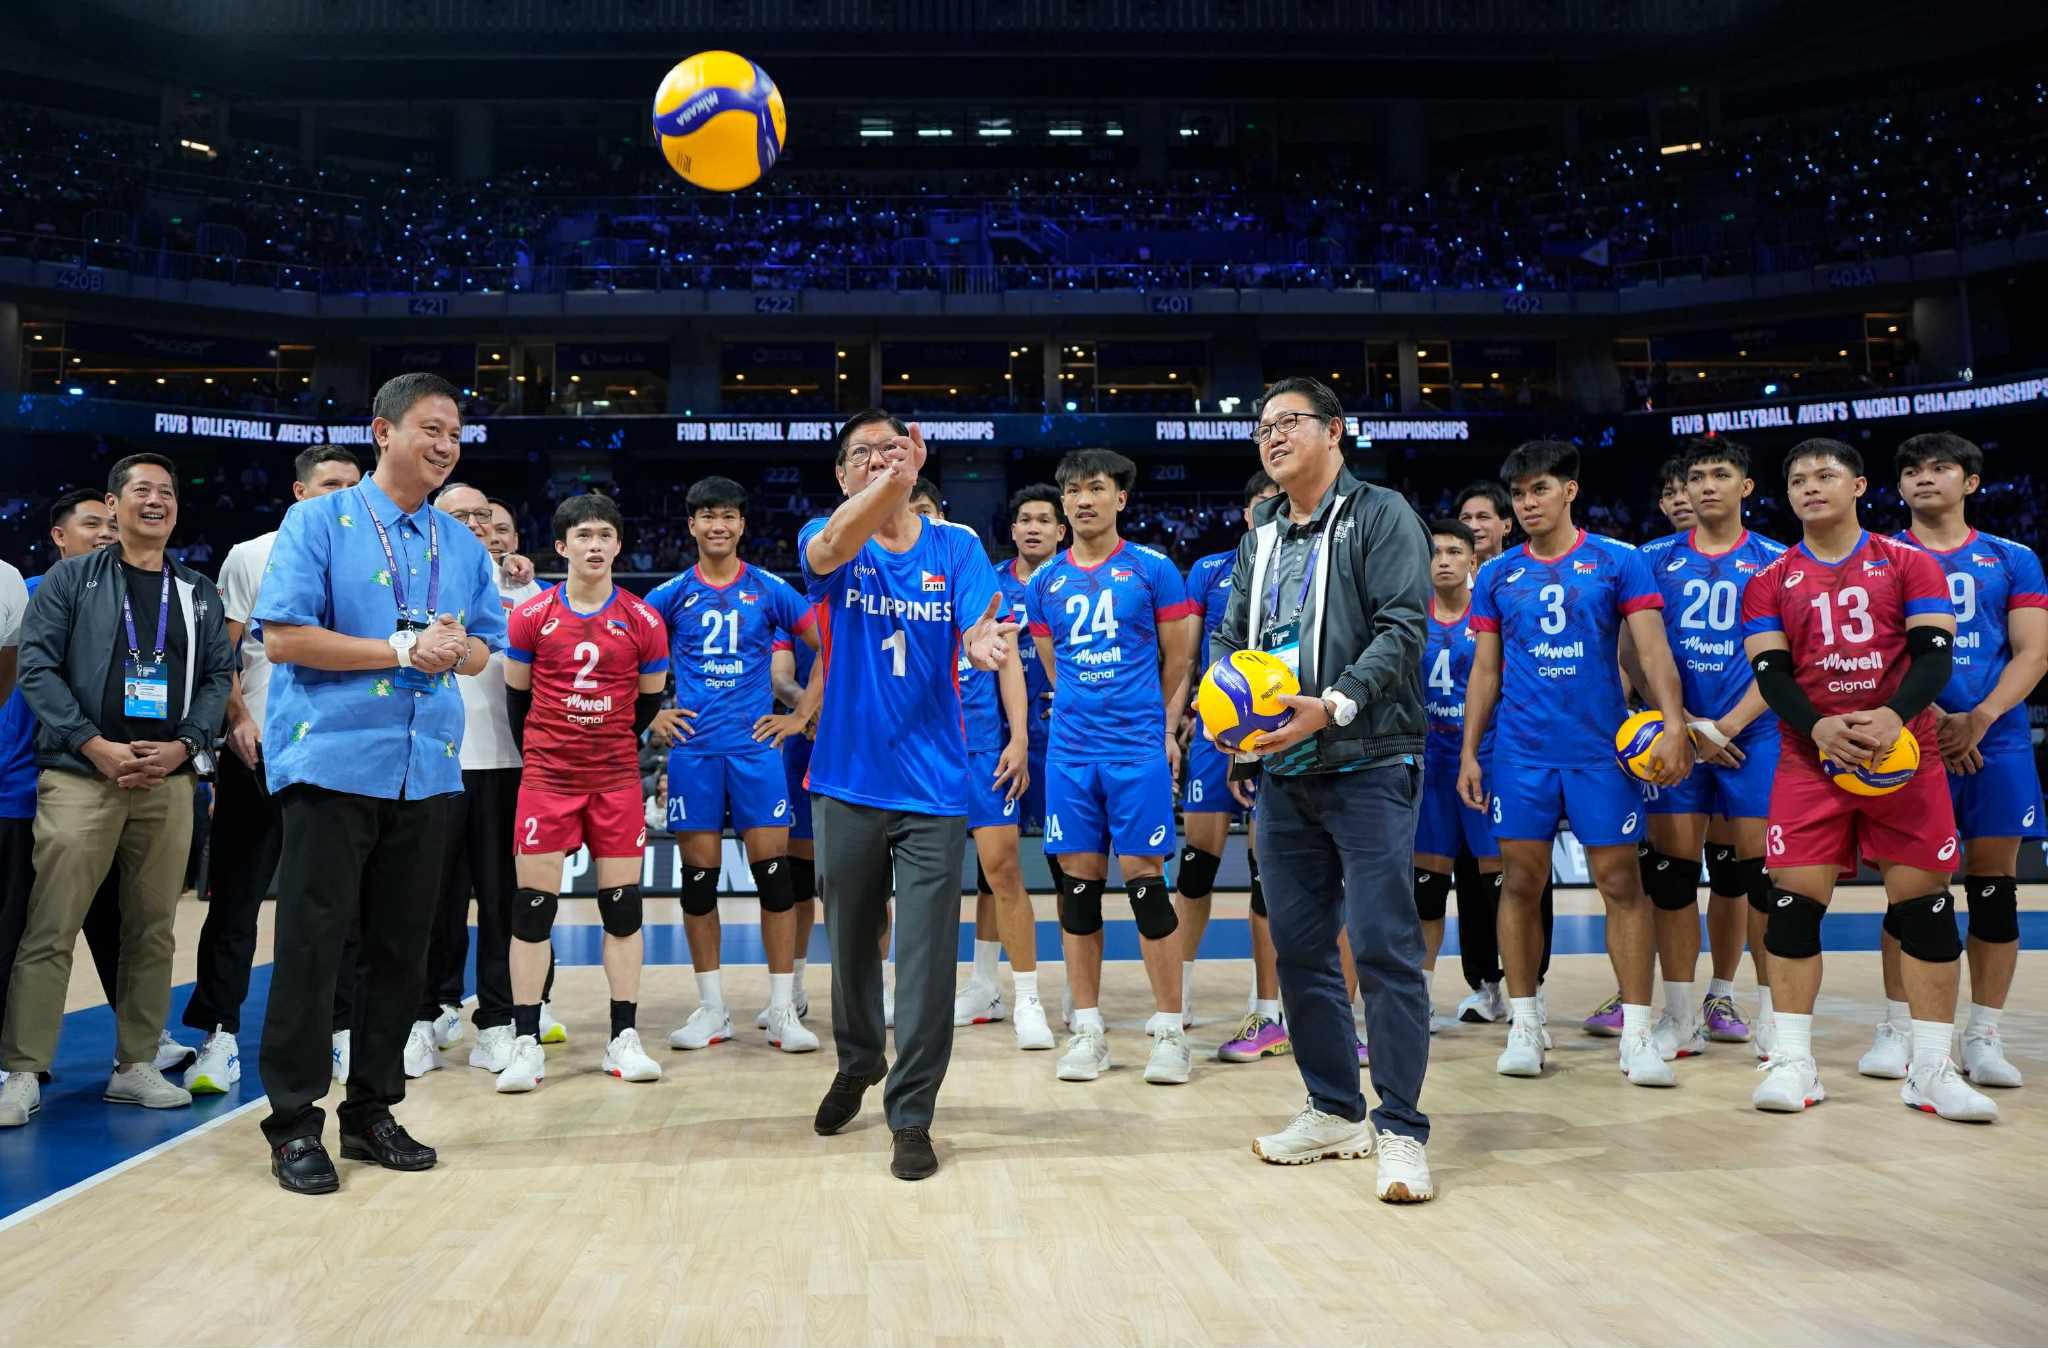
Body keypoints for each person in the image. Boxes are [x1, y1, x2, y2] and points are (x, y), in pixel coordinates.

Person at [253, 373, 505, 1195]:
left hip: (425, 769)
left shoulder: (460, 543)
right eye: (431, 428)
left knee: (401, 951)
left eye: (455, 434)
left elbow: (485, 650)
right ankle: (294, 1122)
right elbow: (285, 638)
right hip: (331, 762)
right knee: (313, 947)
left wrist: (455, 647)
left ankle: (371, 1111)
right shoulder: (317, 521)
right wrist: (402, 650)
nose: (446, 446)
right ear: (383, 431)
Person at [1211, 376, 1435, 1203]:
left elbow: (1402, 629)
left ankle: (1401, 1129)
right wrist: (1225, 708)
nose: (1272, 436)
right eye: (1262, 426)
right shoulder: (1262, 532)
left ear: (1335, 431)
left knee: (1382, 948)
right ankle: (1336, 1110)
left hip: (1368, 759)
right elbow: (1231, 636)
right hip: (1284, 770)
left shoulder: (1381, 514)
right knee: (1300, 952)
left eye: (1289, 422)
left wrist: (1331, 706)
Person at [1742, 437, 1992, 1121]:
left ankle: (1931, 1069)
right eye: (1798, 479)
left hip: (1902, 756)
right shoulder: (1769, 579)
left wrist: (1892, 715)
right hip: (1810, 759)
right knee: (1792, 906)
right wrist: (1818, 727)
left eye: (1825, 475)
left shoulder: (1909, 563)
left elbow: (1933, 658)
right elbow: (1771, 674)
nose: (1810, 487)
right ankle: (1794, 1063)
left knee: (1926, 909)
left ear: (1857, 486)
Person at [800, 409, 1017, 1182]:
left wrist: (982, 643)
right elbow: (829, 549)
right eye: (861, 454)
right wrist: (888, 484)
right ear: (841, 474)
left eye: (889, 451)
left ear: (916, 462)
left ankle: (913, 1111)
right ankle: (860, 1058)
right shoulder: (828, 536)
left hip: (933, 788)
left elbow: (977, 625)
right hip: (847, 780)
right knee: (852, 940)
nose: (876, 462)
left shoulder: (956, 547)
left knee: (926, 960)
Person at [0, 453, 233, 1128]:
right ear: (114, 503)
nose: (155, 501)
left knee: (153, 929)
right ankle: (22, 1070)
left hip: (167, 778)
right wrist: (92, 744)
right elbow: (36, 670)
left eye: (167, 492)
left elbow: (218, 678)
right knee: (51, 926)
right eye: (142, 490)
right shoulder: (70, 579)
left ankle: (135, 1065)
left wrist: (185, 745)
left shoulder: (197, 591)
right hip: (81, 775)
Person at [1458, 439, 1693, 1087]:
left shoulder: (1619, 561)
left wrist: (1674, 725)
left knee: (1621, 884)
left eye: (1540, 489)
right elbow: (1485, 672)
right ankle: (1525, 1024)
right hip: (1521, 754)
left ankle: (1638, 1033)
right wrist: (1471, 752)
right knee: (1519, 883)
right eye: (1518, 493)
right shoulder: (1497, 574)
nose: (1527, 503)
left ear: (1569, 491)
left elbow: (1651, 653)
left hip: (1601, 753)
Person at [180, 446, 366, 1096]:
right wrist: (236, 717)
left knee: (340, 904)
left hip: (340, 753)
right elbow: (222, 653)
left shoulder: (371, 558)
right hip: (261, 750)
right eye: (330, 484)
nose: (343, 493)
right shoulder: (252, 554)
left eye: (352, 483)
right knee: (236, 900)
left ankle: (341, 1029)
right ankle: (219, 1034)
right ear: (299, 491)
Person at [1028, 448, 1198, 1086]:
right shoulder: (1044, 582)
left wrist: (1152, 725)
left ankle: (1170, 1032)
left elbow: (1178, 661)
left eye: (1096, 488)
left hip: (1135, 751)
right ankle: (1089, 1031)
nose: (1083, 500)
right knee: (1077, 891)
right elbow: (1053, 665)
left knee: (1148, 887)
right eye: (1073, 490)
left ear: (1120, 498)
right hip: (1071, 753)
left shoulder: (1153, 569)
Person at [1881, 432, 2046, 1089]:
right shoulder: (1879, 557)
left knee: (1994, 889)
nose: (1924, 478)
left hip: (1996, 737)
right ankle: (1899, 1029)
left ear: (1970, 482)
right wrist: (1933, 719)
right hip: (1910, 737)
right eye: (1911, 470)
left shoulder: (2012, 558)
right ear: (1898, 486)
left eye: (1940, 468)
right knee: (1910, 890)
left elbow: (2033, 653)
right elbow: (1877, 657)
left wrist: (1978, 717)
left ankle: (1983, 1036)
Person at [495, 493, 670, 1092]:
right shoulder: (532, 616)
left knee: (622, 907)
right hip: (548, 778)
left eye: (604, 535)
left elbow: (648, 702)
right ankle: (525, 1042)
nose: (594, 546)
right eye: (583, 536)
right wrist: (551, 753)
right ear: (562, 546)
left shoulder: (644, 620)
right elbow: (517, 699)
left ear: (619, 545)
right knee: (531, 909)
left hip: (615, 779)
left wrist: (603, 739)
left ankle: (623, 1038)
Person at [645, 476, 819, 1055]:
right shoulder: (669, 595)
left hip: (755, 752)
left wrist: (800, 716)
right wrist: (651, 715)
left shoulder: (770, 589)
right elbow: (623, 651)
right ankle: (712, 1009)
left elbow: (828, 645)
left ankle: (782, 1009)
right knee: (699, 883)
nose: (717, 525)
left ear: (742, 525)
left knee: (775, 878)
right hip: (694, 753)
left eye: (727, 516)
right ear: (691, 525)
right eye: (707, 516)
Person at [1632, 440, 1785, 1067]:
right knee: (1670, 877)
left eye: (1721, 474)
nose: (1707, 486)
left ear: (1746, 486)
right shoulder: (1651, 560)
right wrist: (1688, 725)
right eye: (1696, 476)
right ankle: (1680, 1016)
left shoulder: (1777, 560)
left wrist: (1726, 727)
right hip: (1677, 735)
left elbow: (1787, 660)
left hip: (1757, 733)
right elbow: (1635, 654)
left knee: (1760, 879)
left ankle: (1775, 1017)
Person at [0, 492, 147, 1084]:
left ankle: (139, 1042)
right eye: (93, 524)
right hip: (25, 788)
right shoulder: (28, 593)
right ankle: (16, 1058)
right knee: (24, 930)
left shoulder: (136, 600)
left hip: (100, 785)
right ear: (59, 536)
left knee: (116, 920)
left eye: (113, 524)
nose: (107, 533)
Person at [907, 491, 1048, 1052]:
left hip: (982, 747)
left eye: (925, 511)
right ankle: (939, 991)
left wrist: (1017, 737)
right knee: (922, 885)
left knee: (1003, 870)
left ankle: (1027, 997)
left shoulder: (973, 575)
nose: (918, 521)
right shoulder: (888, 582)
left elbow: (1008, 660)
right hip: (921, 753)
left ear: (942, 516)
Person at [429, 484, 551, 1079]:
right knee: (433, 902)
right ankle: (428, 1014)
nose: (477, 525)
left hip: (507, 764)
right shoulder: (415, 579)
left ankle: (500, 1020)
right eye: (462, 516)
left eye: (485, 516)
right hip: (432, 764)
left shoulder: (529, 590)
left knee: (505, 902)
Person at [1180, 469, 1294, 1061]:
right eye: (1260, 505)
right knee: (1196, 865)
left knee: (1264, 870)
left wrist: (1252, 748)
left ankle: (1264, 1002)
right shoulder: (1209, 570)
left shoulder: (1300, 571)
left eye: (1279, 504)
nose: (1268, 513)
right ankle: (1179, 991)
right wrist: (1175, 723)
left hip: (1276, 732)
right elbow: (1189, 655)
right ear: (1246, 513)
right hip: (1213, 731)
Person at [1449, 480, 1554, 1024]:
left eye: (1483, 517)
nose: (1474, 526)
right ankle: (1484, 983)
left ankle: (1530, 986)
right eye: (1465, 517)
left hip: (1517, 745)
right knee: (1469, 873)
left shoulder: (1522, 578)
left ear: (1505, 524)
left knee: (1524, 869)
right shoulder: (1445, 583)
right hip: (1460, 747)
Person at [1413, 519, 1498, 1033]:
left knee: (1497, 886)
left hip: (1484, 761)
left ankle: (1510, 993)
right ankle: (1419, 997)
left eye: (1454, 551)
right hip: (1430, 765)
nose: (1443, 560)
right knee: (1426, 891)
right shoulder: (1410, 617)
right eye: (1435, 552)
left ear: (1473, 560)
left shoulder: (1488, 614)